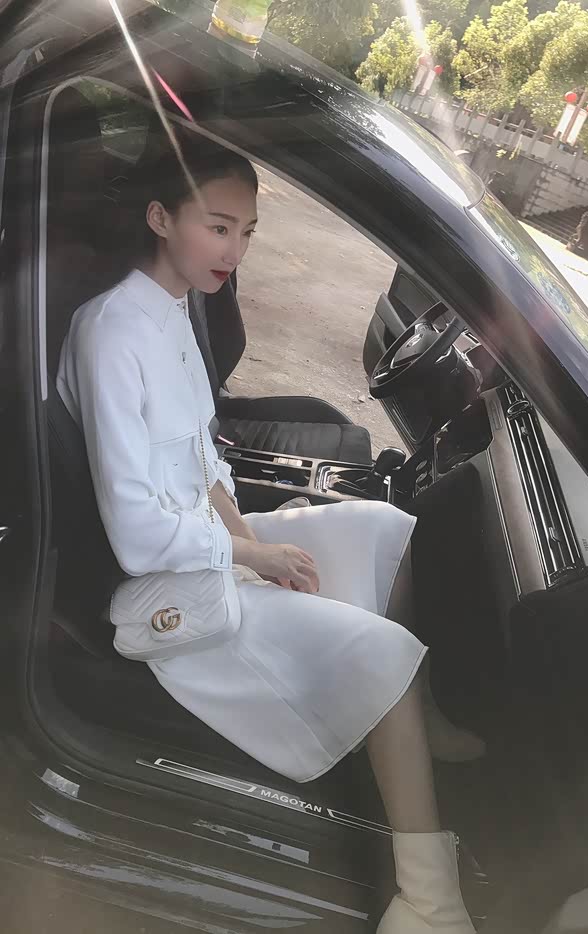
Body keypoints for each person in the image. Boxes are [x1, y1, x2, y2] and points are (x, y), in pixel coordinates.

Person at [56, 134, 482, 933]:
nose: (235, 250)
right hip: (164, 593)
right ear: (160, 217)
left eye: (247, 232)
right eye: (218, 227)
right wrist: (249, 554)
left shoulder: (174, 310)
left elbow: (202, 458)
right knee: (385, 654)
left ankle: (412, 724)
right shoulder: (111, 331)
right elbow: (136, 531)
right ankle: (428, 898)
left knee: (385, 531)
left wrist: (247, 540)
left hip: (208, 547)